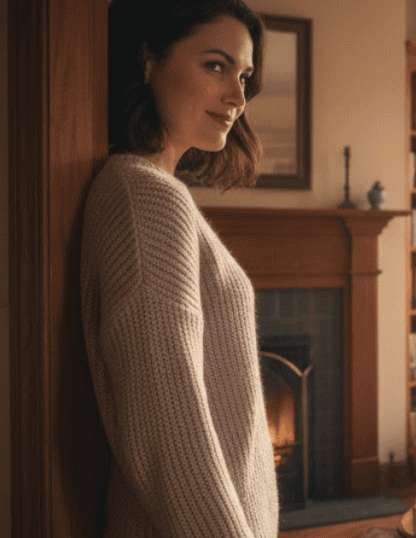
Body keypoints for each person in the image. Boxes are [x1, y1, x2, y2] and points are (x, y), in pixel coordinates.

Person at [80, 1, 278, 536]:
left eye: (244, 76)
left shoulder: (159, 192)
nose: (237, 97)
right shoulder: (143, 195)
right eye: (215, 65)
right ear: (148, 60)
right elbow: (170, 429)